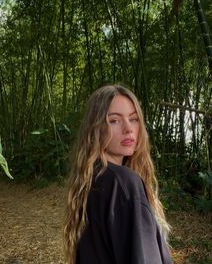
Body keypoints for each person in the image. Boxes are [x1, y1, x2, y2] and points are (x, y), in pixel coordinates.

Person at [64, 84, 172, 264]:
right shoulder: (123, 183)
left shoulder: (89, 180)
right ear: (96, 128)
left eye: (134, 119)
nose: (128, 128)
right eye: (114, 120)